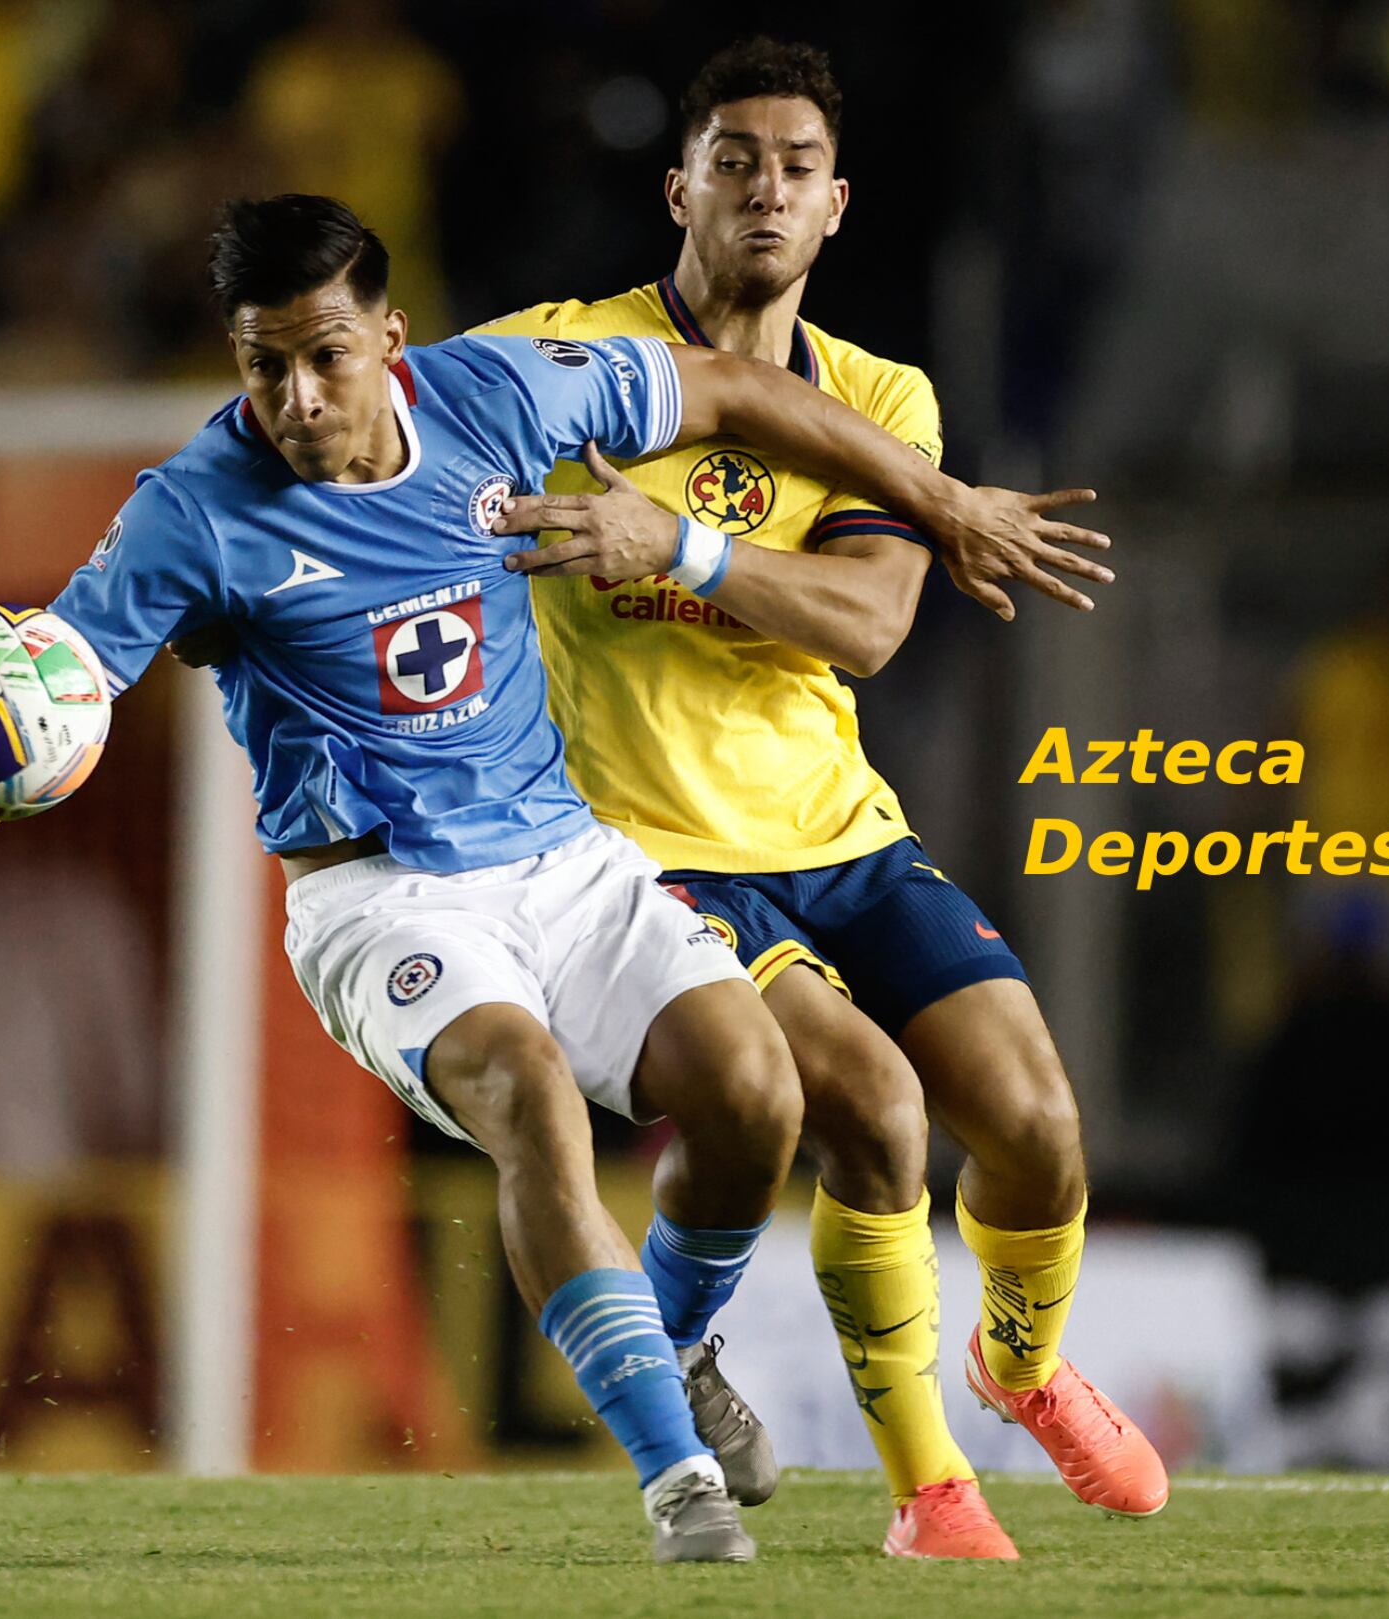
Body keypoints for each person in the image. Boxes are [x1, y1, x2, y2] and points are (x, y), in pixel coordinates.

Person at [0, 193, 1087, 1563]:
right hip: (382, 900)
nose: (296, 398)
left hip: (564, 859)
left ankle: (670, 1343)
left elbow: (725, 387)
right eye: (262, 365)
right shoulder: (190, 515)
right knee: (531, 1093)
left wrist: (939, 500)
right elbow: (22, 721)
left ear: (391, 340)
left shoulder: (495, 392)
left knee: (755, 1095)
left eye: (325, 357)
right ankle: (678, 1487)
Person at [473, 38, 1166, 1559]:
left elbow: (866, 623)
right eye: (733, 162)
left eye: (795, 168)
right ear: (680, 186)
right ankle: (930, 1492)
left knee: (1040, 1123)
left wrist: (683, 554)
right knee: (875, 1108)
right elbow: (419, 458)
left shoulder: (876, 394)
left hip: (841, 834)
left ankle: (1022, 1367)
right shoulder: (560, 357)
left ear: (838, 205)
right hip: (646, 856)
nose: (763, 192)